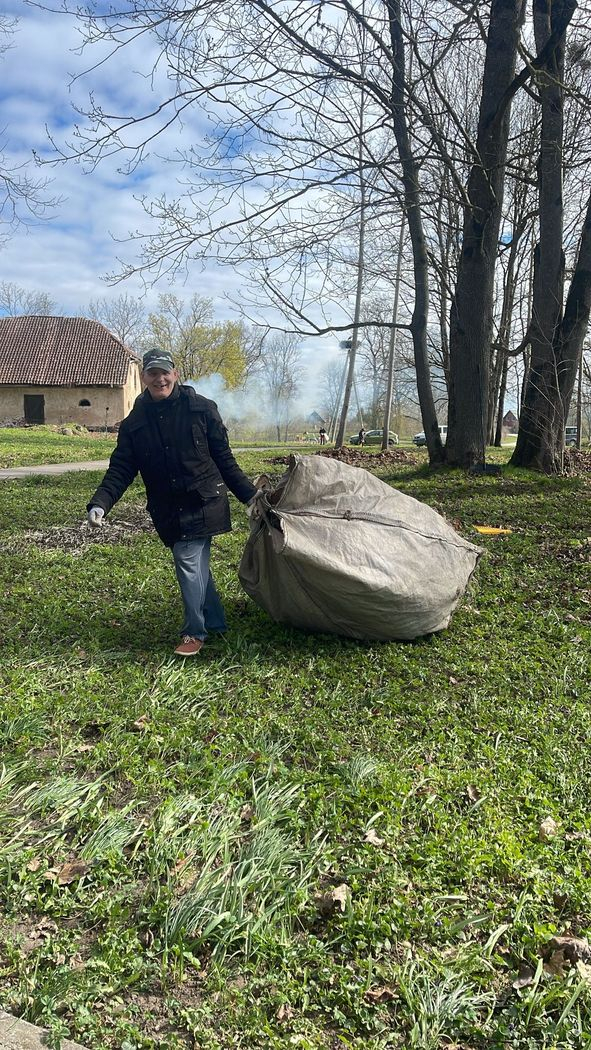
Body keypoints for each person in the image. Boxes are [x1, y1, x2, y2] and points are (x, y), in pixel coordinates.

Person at [86, 348, 258, 657]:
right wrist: (100, 503)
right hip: (168, 508)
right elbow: (121, 469)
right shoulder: (134, 423)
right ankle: (215, 621)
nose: (160, 379)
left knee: (187, 561)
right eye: (152, 373)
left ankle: (194, 632)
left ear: (175, 374)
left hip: (204, 500)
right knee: (197, 566)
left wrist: (250, 496)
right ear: (144, 378)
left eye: (165, 372)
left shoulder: (202, 409)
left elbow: (224, 460)